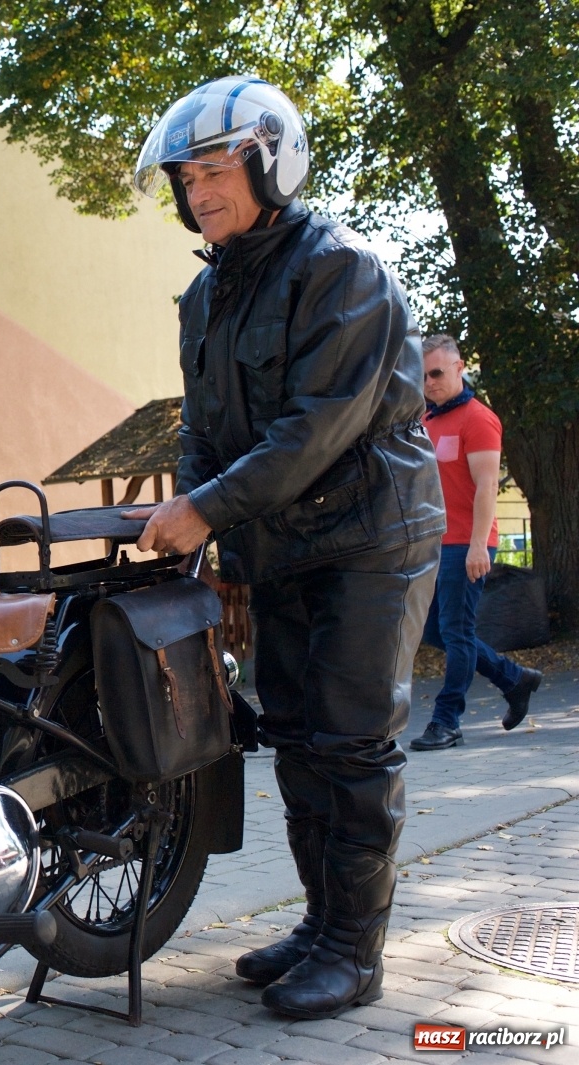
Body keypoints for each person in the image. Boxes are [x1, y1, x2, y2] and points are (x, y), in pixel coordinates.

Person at [126, 77, 445, 1021]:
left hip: (370, 539)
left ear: (272, 160)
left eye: (214, 171)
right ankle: (320, 925)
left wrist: (210, 509)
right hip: (283, 546)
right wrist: (194, 511)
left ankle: (357, 951)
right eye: (186, 179)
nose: (197, 193)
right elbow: (205, 429)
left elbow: (316, 429)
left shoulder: (342, 269)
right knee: (297, 739)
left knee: (351, 741)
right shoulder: (205, 292)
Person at [410, 334, 541, 750]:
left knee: (456, 631)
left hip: (466, 543)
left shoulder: (478, 419)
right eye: (424, 375)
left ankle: (447, 721)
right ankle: (513, 678)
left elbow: (487, 488)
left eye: (437, 373)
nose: (430, 382)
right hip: (432, 543)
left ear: (459, 367)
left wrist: (479, 545)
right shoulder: (426, 421)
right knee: (436, 632)